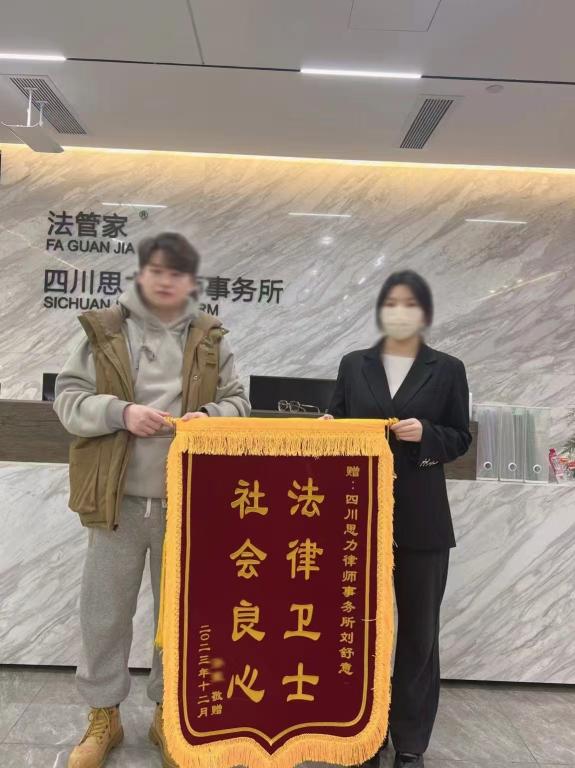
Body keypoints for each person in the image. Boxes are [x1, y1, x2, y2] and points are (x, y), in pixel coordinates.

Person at [54, 232, 251, 768]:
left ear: (191, 282)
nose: (166, 281)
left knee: (178, 617)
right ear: (142, 274)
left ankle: (168, 713)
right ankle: (104, 716)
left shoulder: (211, 337)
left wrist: (210, 418)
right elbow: (68, 400)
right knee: (103, 614)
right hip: (115, 501)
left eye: (177, 274)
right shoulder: (105, 330)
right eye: (157, 271)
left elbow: (239, 402)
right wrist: (120, 413)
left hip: (188, 506)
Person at [326, 270, 471, 768]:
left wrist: (426, 432)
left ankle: (410, 739)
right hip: (358, 518)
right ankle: (364, 732)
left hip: (423, 519)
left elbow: (460, 437)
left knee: (418, 632)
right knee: (359, 627)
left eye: (411, 303)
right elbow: (338, 422)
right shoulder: (354, 364)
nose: (400, 311)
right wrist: (329, 429)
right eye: (392, 302)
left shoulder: (447, 368)